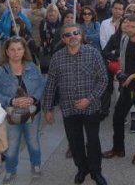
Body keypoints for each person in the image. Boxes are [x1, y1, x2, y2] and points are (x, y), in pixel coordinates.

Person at [43, 23, 108, 185]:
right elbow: (51, 84)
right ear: (63, 39)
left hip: (91, 107)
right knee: (75, 141)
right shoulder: (57, 58)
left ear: (81, 35)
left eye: (75, 33)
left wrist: (89, 99)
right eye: (67, 35)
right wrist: (48, 108)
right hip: (68, 108)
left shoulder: (93, 54)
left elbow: (103, 80)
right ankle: (82, 169)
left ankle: (95, 171)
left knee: (93, 141)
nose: (72, 36)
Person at [0, 37, 45, 184]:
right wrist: (11, 101)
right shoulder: (0, 72)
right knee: (13, 142)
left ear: (24, 51)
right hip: (11, 113)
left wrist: (33, 98)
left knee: (33, 140)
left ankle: (36, 164)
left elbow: (41, 85)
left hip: (32, 111)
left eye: (19, 49)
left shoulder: (32, 66)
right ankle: (10, 170)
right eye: (12, 49)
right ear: (7, 52)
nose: (16, 52)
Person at [102, 14, 135, 165]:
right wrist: (120, 71)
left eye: (132, 26)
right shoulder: (124, 39)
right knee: (117, 118)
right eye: (127, 25)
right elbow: (122, 59)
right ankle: (118, 148)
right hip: (127, 87)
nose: (128, 28)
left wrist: (132, 76)